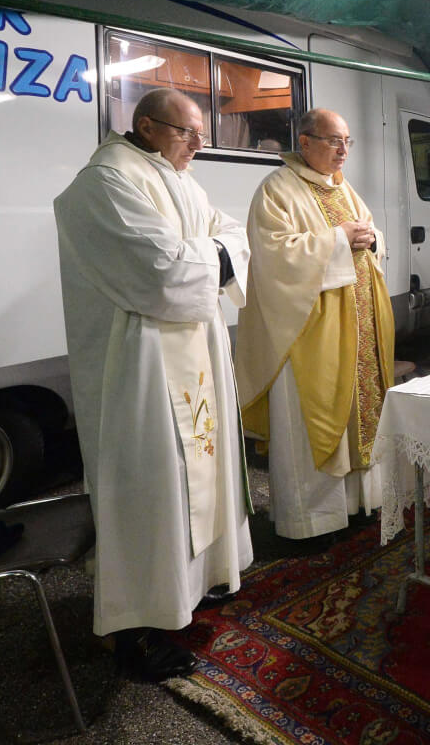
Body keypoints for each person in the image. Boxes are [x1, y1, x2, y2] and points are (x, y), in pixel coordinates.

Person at [53, 87, 252, 680]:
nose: (198, 144)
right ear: (145, 125)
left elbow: (231, 234)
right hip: (137, 369)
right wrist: (212, 252)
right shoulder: (105, 183)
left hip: (191, 353)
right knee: (147, 491)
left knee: (191, 482)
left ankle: (186, 591)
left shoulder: (180, 180)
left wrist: (207, 250)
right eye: (187, 132)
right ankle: (132, 630)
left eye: (201, 133)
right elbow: (163, 271)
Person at [233, 109, 394, 541]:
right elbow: (272, 255)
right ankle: (312, 522)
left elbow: (368, 233)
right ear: (304, 142)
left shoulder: (343, 188)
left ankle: (359, 503)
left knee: (359, 417)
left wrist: (372, 239)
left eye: (347, 141)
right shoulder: (277, 189)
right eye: (333, 140)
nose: (343, 150)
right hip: (308, 333)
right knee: (311, 422)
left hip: (356, 327)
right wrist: (340, 239)